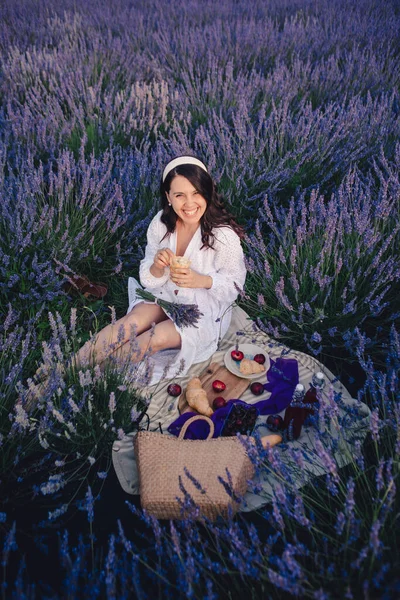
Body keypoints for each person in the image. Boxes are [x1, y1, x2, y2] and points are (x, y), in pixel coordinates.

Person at [33, 156, 247, 389]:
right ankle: (67, 368)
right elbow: (148, 273)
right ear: (168, 197)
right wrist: (157, 266)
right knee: (129, 324)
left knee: (155, 339)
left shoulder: (223, 236)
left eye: (196, 193)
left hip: (202, 310)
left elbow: (235, 284)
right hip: (165, 295)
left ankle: (84, 380)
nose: (189, 203)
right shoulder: (161, 224)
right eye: (179, 195)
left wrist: (202, 280)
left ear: (207, 192)